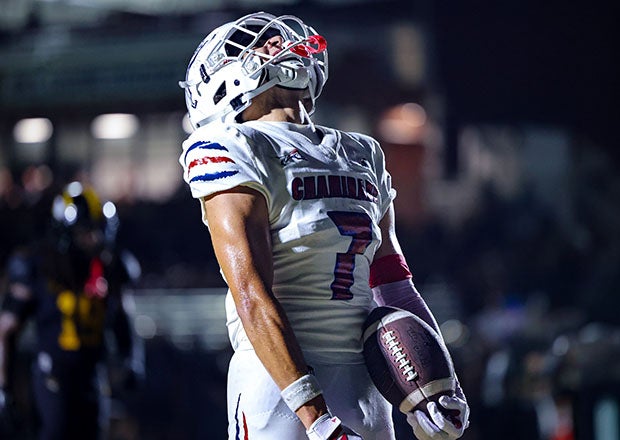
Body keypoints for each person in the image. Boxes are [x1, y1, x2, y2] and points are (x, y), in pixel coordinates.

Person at [178, 12, 470, 440]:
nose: (278, 43)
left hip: (365, 386)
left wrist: (443, 386)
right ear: (221, 82)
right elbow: (251, 294)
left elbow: (393, 283)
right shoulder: (230, 146)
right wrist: (317, 419)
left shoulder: (361, 151)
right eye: (259, 43)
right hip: (281, 391)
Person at [0, 181, 142, 440]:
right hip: (53, 376)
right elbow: (6, 329)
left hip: (92, 377)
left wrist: (131, 358)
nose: (94, 240)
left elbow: (123, 314)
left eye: (97, 231)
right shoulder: (39, 265)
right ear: (65, 232)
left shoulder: (109, 266)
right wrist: (3, 385)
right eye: (86, 232)